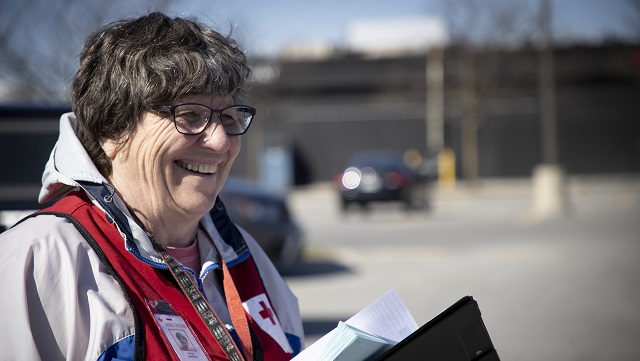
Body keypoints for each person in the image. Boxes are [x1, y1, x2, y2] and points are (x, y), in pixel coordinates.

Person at [0, 12, 304, 360]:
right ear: (112, 129)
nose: (221, 142)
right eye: (190, 115)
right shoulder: (39, 260)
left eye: (230, 116)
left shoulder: (244, 256)